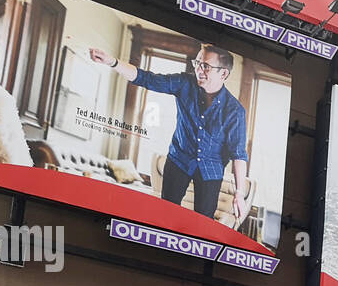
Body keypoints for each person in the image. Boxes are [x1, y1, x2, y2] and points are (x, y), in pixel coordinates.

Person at [89, 43, 252, 227]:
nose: (198, 69)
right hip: (179, 159)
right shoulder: (184, 83)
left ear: (223, 74)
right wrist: (112, 62)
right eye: (197, 63)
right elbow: (146, 78)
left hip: (211, 169)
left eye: (205, 66)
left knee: (203, 225)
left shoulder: (235, 111)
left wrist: (239, 193)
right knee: (165, 214)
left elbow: (238, 153)